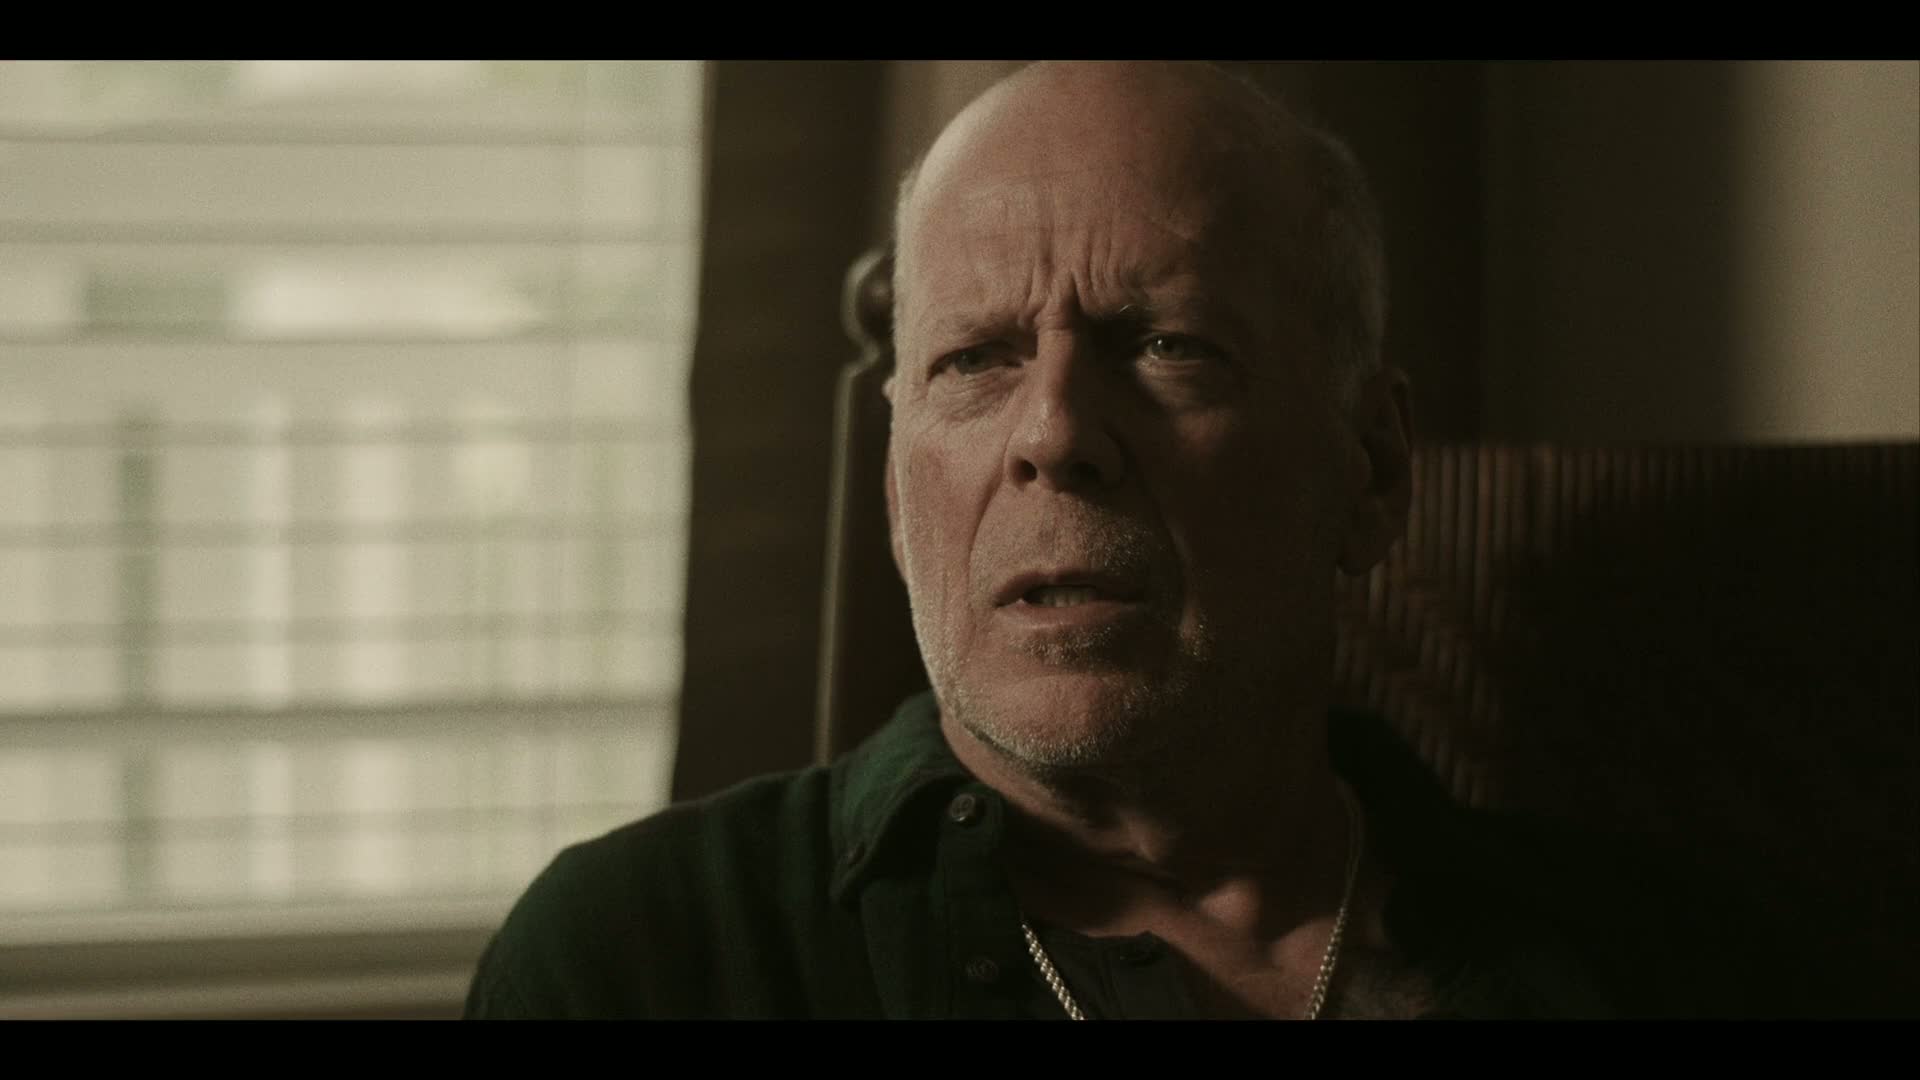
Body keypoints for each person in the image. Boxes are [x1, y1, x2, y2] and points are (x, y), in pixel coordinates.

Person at [464, 61, 1750, 1020]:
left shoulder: (1663, 959)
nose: (1056, 432)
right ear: (900, 482)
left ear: (1371, 468)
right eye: (976, 359)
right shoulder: (649, 962)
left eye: (1168, 346)